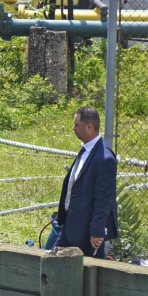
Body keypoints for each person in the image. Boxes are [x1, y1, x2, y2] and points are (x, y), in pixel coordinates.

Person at [53, 106, 118, 257]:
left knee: (88, 275)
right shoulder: (87, 151)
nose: (73, 128)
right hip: (71, 226)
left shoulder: (104, 159)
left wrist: (96, 231)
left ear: (89, 127)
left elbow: (104, 199)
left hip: (87, 233)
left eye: (76, 124)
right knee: (51, 264)